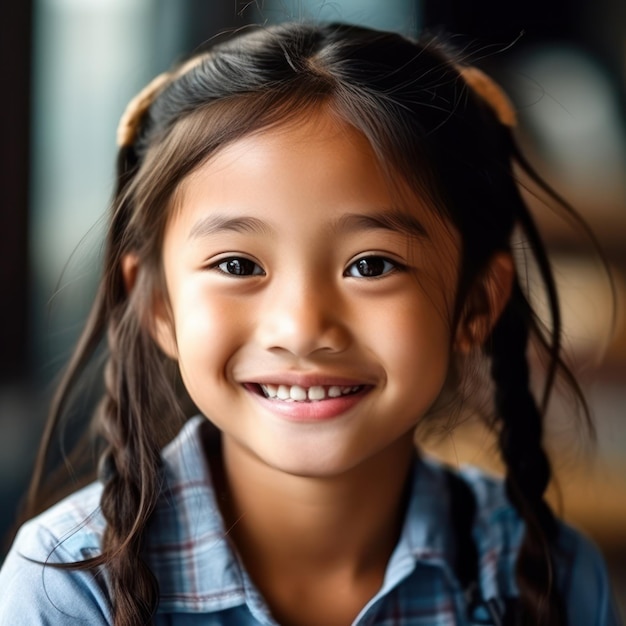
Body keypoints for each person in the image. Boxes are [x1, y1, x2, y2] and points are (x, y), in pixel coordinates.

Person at [0, 21, 621, 626]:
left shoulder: (548, 579)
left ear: (476, 305)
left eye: (371, 265)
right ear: (159, 307)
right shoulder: (68, 592)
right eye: (238, 264)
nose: (301, 328)